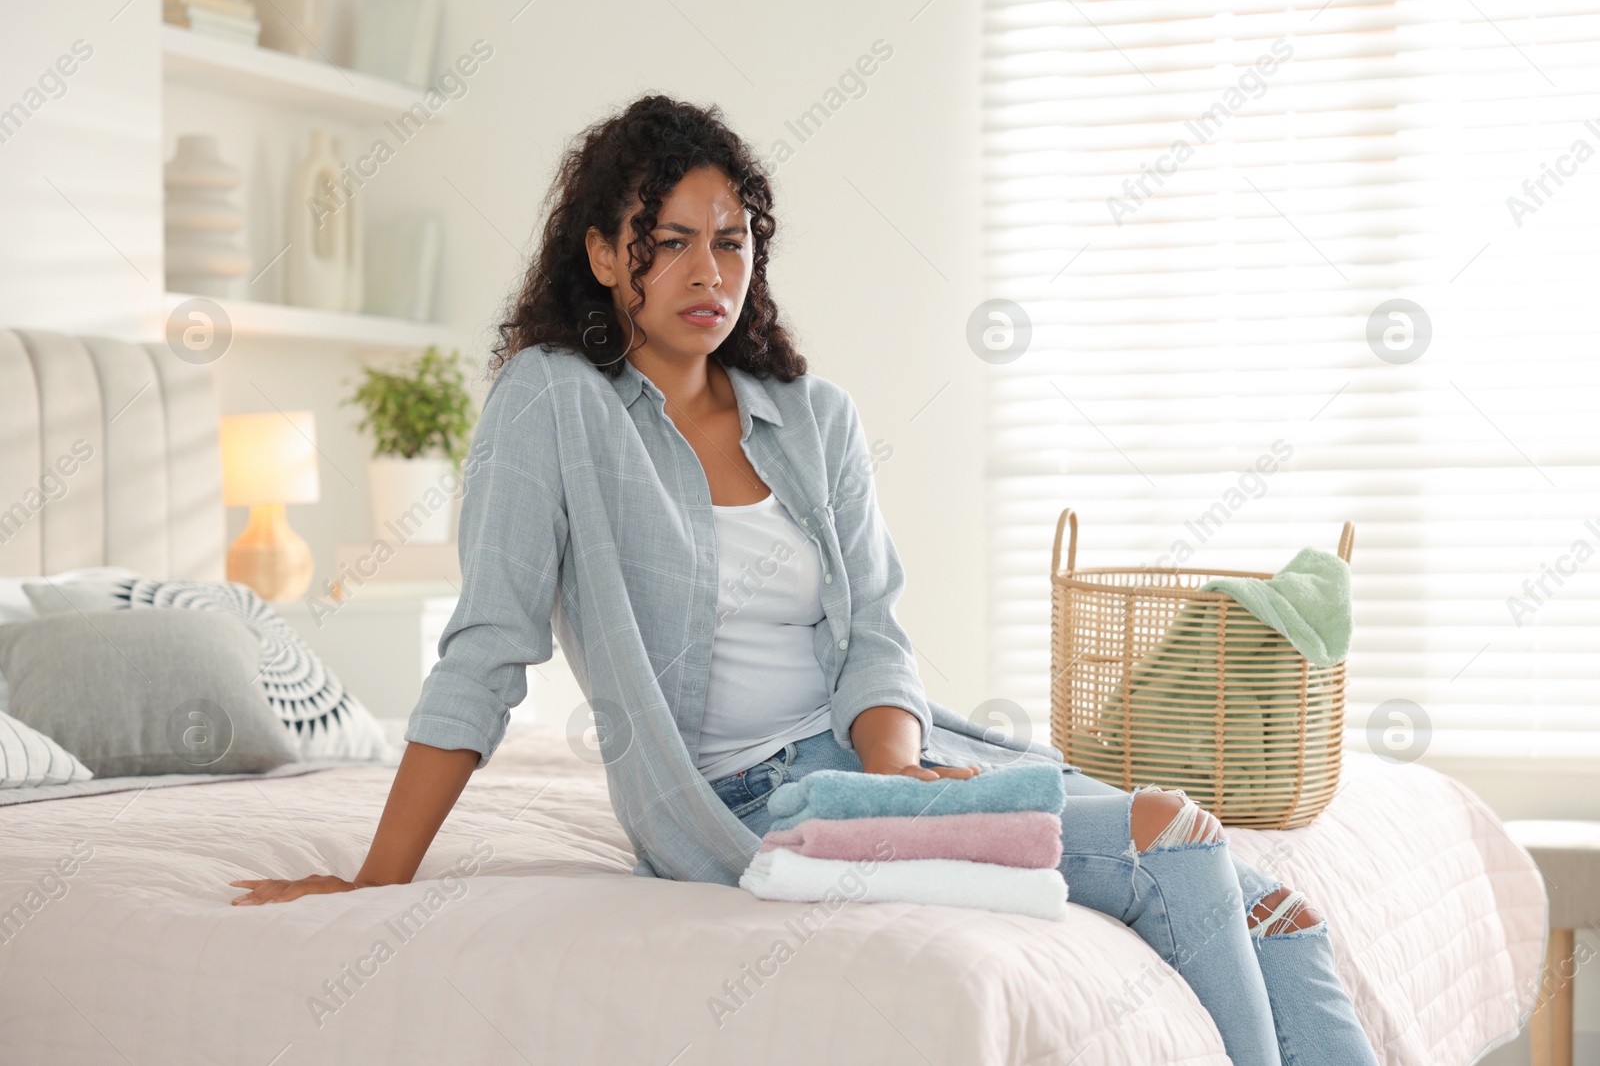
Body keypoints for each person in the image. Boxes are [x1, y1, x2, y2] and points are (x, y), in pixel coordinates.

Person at [230, 94, 1379, 1066]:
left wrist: (900, 771)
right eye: (667, 238)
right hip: (753, 807)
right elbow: (486, 649)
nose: (705, 269)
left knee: (1270, 902)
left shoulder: (812, 416)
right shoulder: (554, 401)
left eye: (729, 240)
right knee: (1170, 834)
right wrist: (376, 881)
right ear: (600, 251)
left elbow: (874, 628)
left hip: (878, 760)